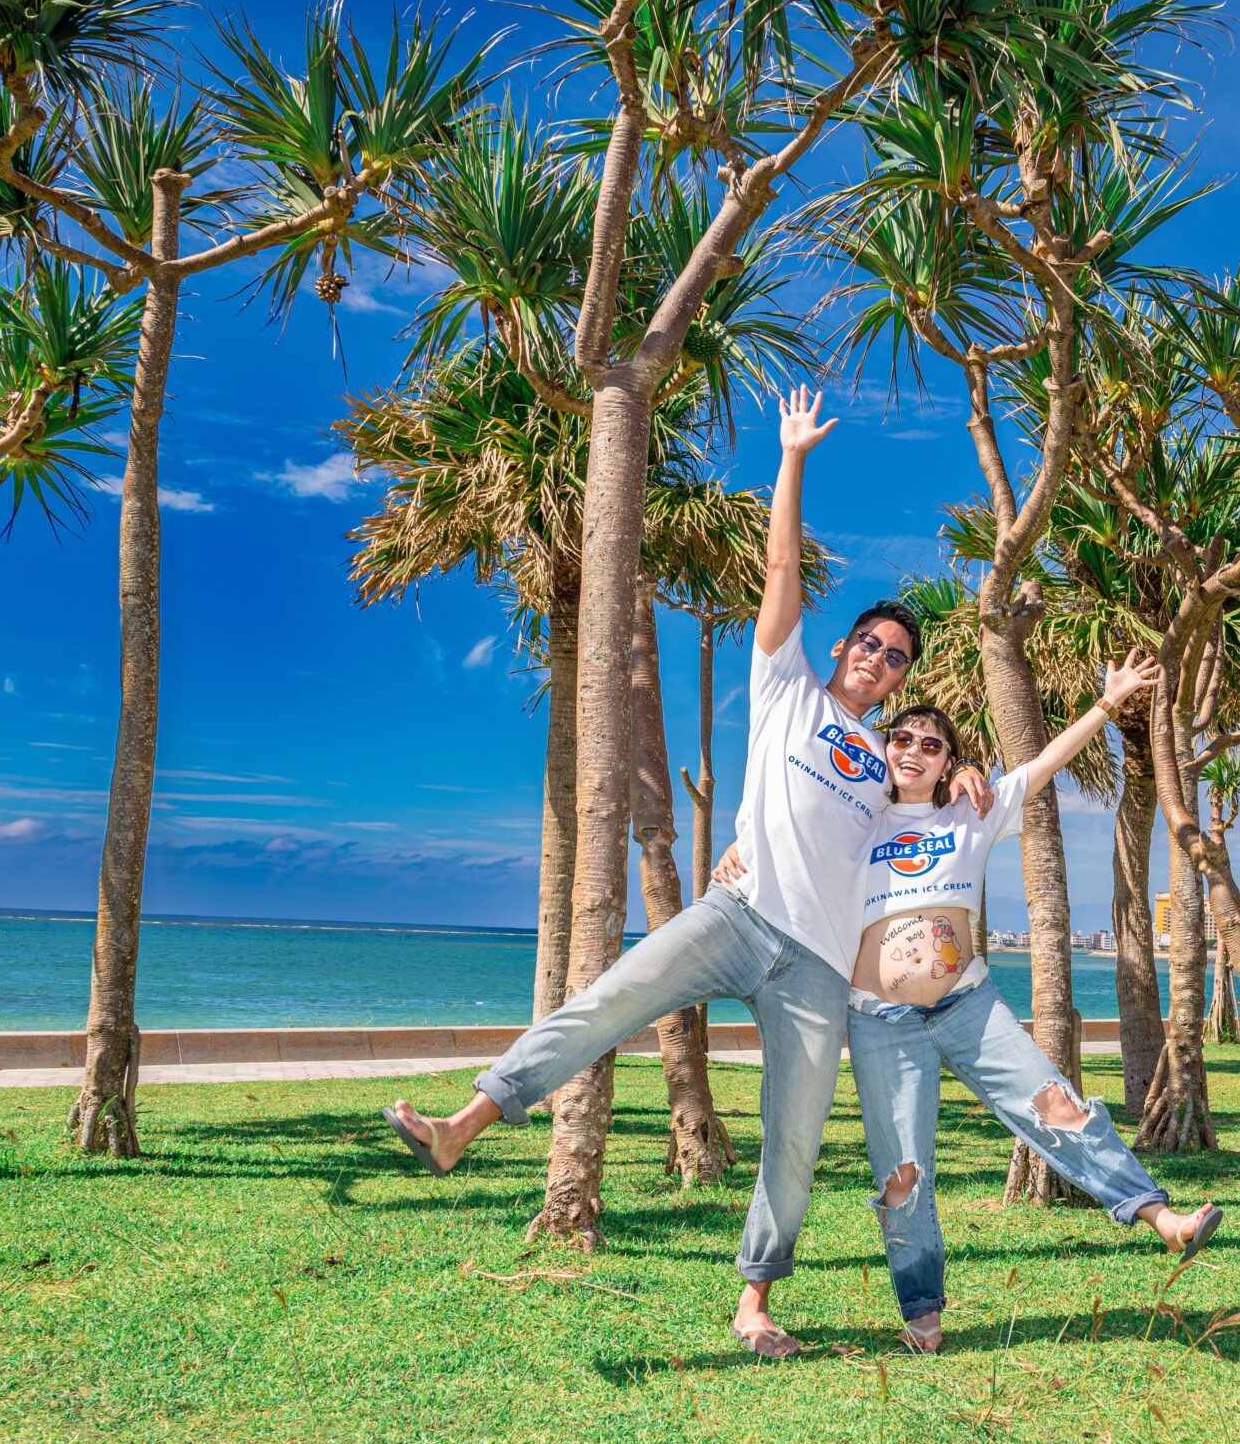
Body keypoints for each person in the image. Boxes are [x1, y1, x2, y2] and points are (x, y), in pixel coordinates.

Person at [381, 386, 990, 1359]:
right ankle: (461, 1124)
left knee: (790, 1145)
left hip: (818, 971)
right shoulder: (788, 685)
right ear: (841, 648)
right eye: (869, 644)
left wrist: (962, 773)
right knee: (606, 1002)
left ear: (905, 682)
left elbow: (932, 822)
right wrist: (792, 456)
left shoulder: (888, 767)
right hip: (736, 915)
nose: (879, 659)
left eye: (897, 658)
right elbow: (781, 562)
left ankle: (755, 1304)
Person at [717, 652, 1220, 1353]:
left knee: (1058, 1106)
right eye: (902, 738)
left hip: (967, 1004)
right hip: (881, 1021)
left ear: (950, 758)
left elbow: (1043, 766)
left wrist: (1107, 706)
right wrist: (739, 849)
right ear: (882, 749)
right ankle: (923, 1312)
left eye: (932, 743)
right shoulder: (857, 821)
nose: (915, 750)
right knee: (904, 1175)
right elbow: (792, 824)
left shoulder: (970, 813)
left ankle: (1160, 1217)